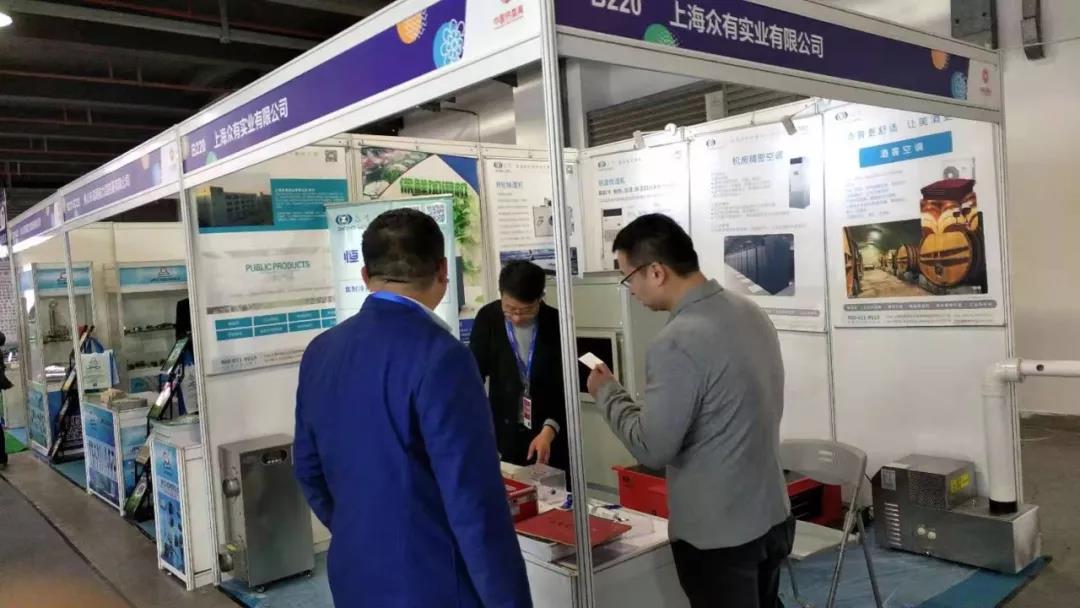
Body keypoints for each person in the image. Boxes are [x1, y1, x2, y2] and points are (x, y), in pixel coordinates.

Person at [294, 208, 532, 608]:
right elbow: (474, 503)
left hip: (354, 576)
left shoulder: (321, 351)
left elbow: (307, 468)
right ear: (443, 270)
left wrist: (360, 533)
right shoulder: (444, 357)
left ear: (365, 275)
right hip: (434, 585)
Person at [585, 214, 793, 608]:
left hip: (719, 535)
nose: (631, 290)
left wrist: (608, 392)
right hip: (771, 516)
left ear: (656, 272)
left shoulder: (676, 341)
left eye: (629, 278)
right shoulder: (750, 311)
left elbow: (652, 448)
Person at [469, 261, 568, 474]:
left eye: (525, 311)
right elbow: (473, 376)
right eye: (510, 309)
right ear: (501, 295)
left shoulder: (556, 322)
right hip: (503, 432)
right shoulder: (488, 318)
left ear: (540, 298)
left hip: (549, 433)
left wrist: (549, 430)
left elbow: (564, 386)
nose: (516, 317)